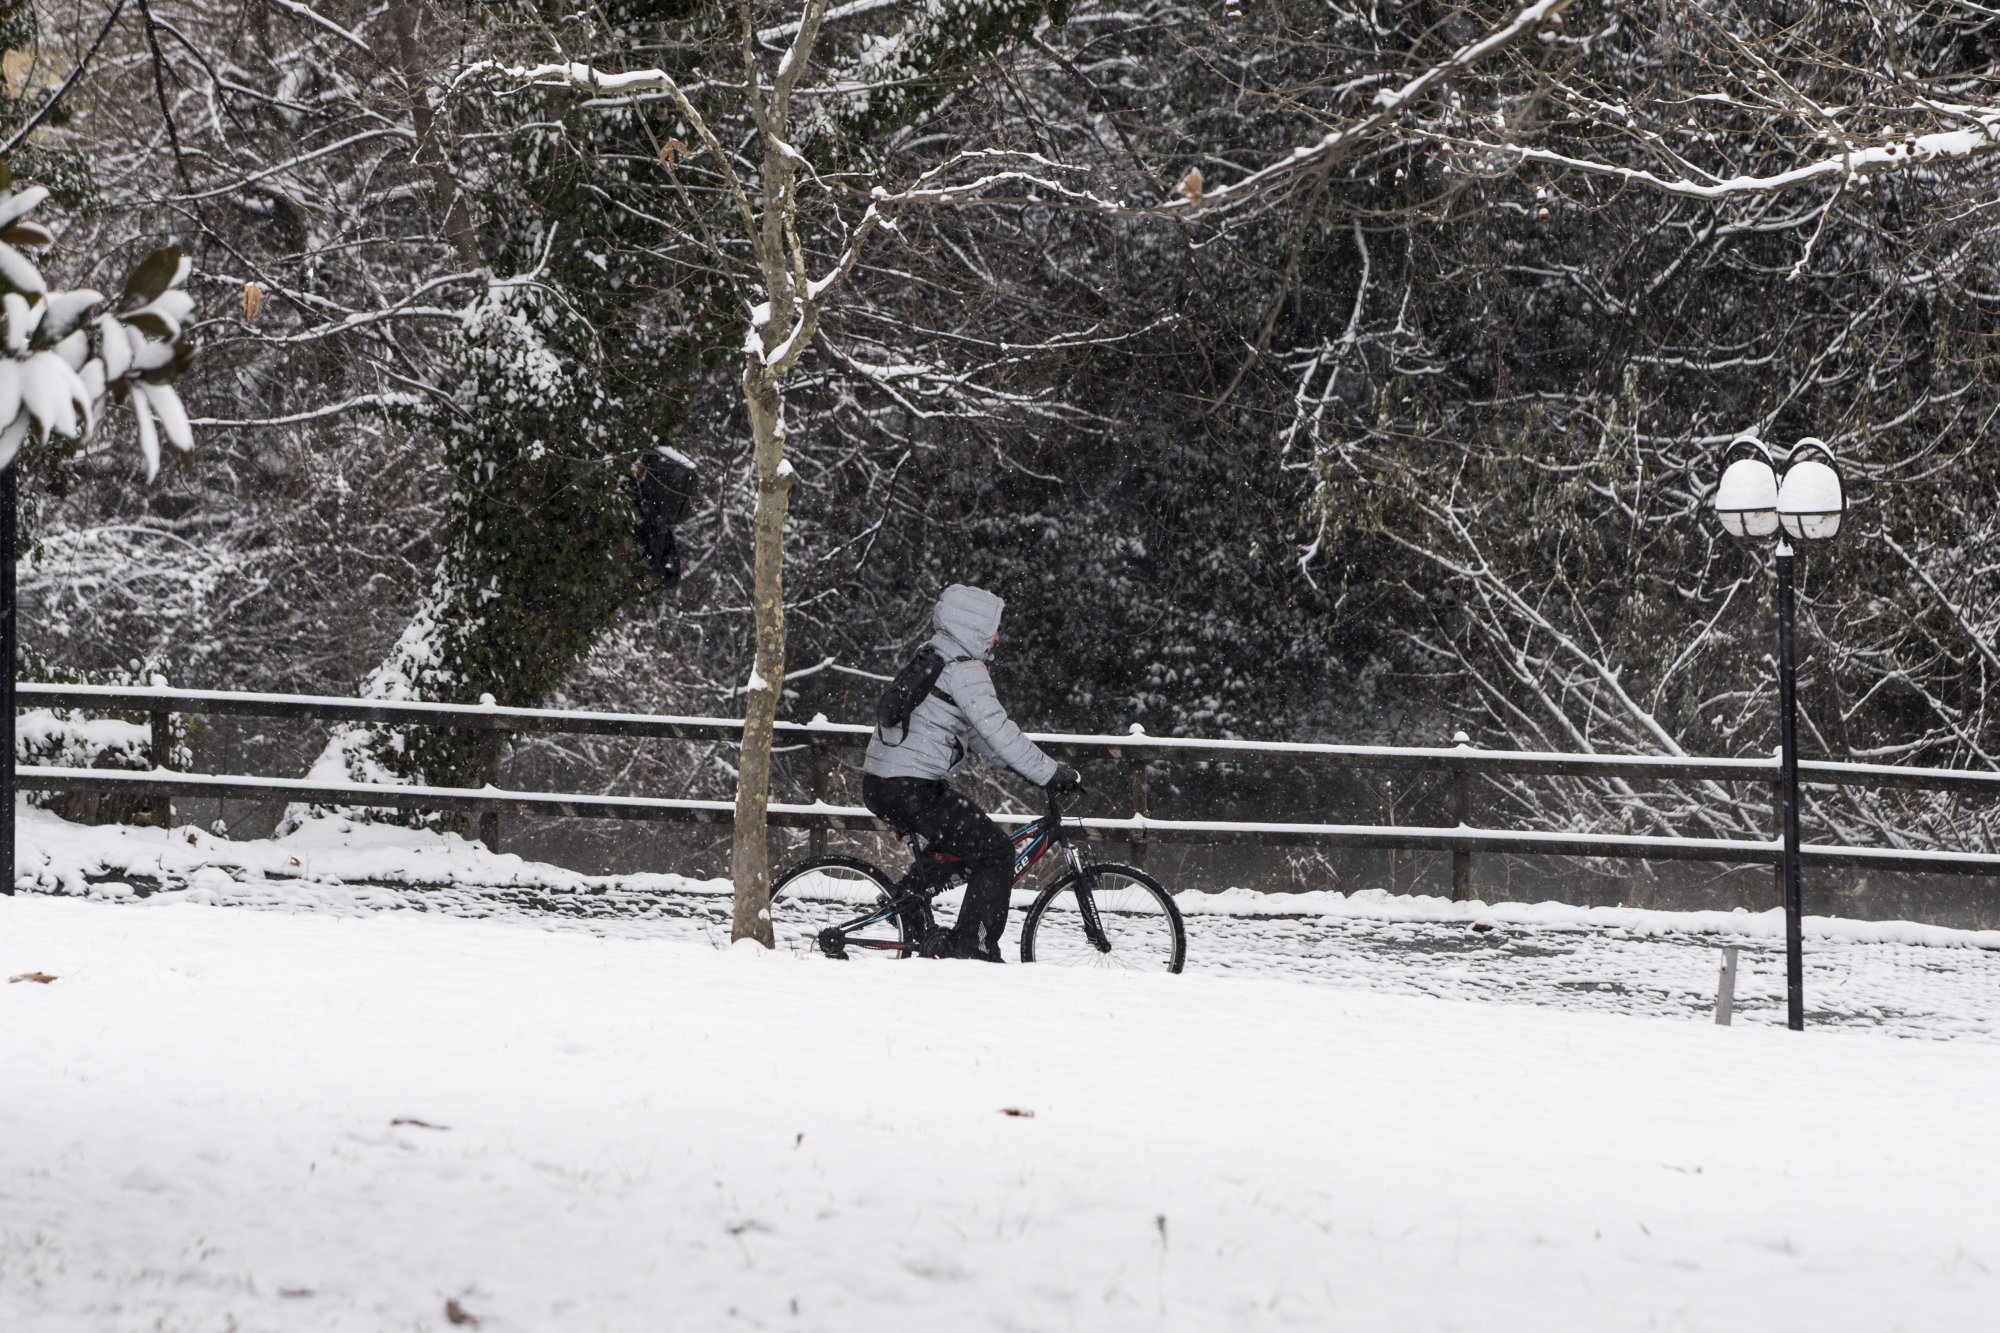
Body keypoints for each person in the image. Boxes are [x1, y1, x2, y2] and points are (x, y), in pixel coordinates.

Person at [861, 584, 1083, 961]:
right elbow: (1000, 729)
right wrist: (1050, 773)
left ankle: (908, 903)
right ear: (975, 625)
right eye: (994, 627)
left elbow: (980, 738)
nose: (998, 636)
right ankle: (973, 947)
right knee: (996, 853)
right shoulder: (965, 669)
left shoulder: (934, 654)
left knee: (964, 844)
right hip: (911, 785)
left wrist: (1024, 769)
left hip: (886, 782)